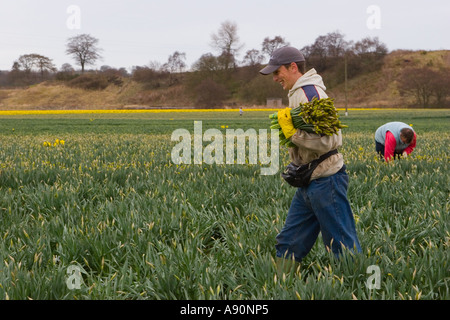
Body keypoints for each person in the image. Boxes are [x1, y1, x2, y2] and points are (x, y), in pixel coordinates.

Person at [259, 46, 362, 274]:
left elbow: (329, 140)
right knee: (290, 241)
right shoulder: (297, 92)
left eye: (277, 72)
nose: (275, 78)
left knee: (341, 243)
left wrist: (291, 134)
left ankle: (356, 285)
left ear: (293, 67)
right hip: (309, 180)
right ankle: (278, 287)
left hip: (326, 179)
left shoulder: (309, 93)